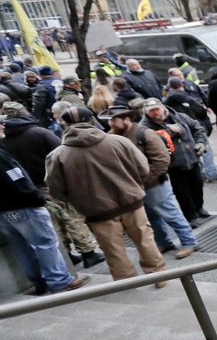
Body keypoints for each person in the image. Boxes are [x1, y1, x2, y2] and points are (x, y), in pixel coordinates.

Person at [45, 107, 167, 285]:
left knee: (113, 250)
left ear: (65, 125)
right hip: (131, 202)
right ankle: (158, 276)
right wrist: (133, 185)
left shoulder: (58, 155)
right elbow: (143, 168)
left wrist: (79, 201)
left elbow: (56, 189)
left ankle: (127, 283)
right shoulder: (119, 141)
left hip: (97, 211)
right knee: (145, 240)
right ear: (92, 121)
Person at [0, 102, 105, 268]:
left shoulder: (4, 140)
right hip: (53, 182)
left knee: (53, 223)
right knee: (71, 216)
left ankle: (67, 254)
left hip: (31, 187)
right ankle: (88, 253)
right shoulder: (39, 132)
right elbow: (62, 153)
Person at [105, 104, 198, 259]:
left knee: (170, 214)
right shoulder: (113, 136)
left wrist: (147, 180)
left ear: (126, 119)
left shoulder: (145, 133)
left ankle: (189, 242)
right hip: (136, 186)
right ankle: (164, 242)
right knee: (151, 216)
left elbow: (162, 159)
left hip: (154, 184)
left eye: (113, 120)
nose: (110, 123)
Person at [0, 143, 90, 294]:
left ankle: (39, 282)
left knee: (21, 248)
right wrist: (36, 197)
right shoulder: (1, 156)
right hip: (23, 205)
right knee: (45, 243)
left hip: (4, 211)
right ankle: (59, 281)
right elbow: (16, 179)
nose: (3, 129)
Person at [140, 97, 209, 228]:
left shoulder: (180, 117)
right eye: (151, 111)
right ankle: (190, 215)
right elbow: (150, 140)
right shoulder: (145, 127)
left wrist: (201, 142)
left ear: (162, 107)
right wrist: (169, 132)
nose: (155, 113)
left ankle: (199, 208)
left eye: (156, 109)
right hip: (173, 165)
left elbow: (197, 128)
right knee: (182, 192)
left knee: (197, 185)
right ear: (146, 112)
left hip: (192, 158)